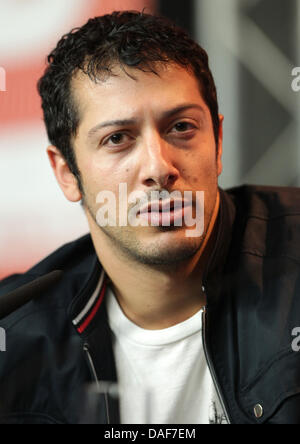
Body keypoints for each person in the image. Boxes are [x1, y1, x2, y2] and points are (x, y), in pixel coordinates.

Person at [0, 10, 299, 425]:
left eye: (181, 127)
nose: (159, 167)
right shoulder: (13, 341)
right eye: (117, 138)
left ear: (218, 143)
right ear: (67, 173)